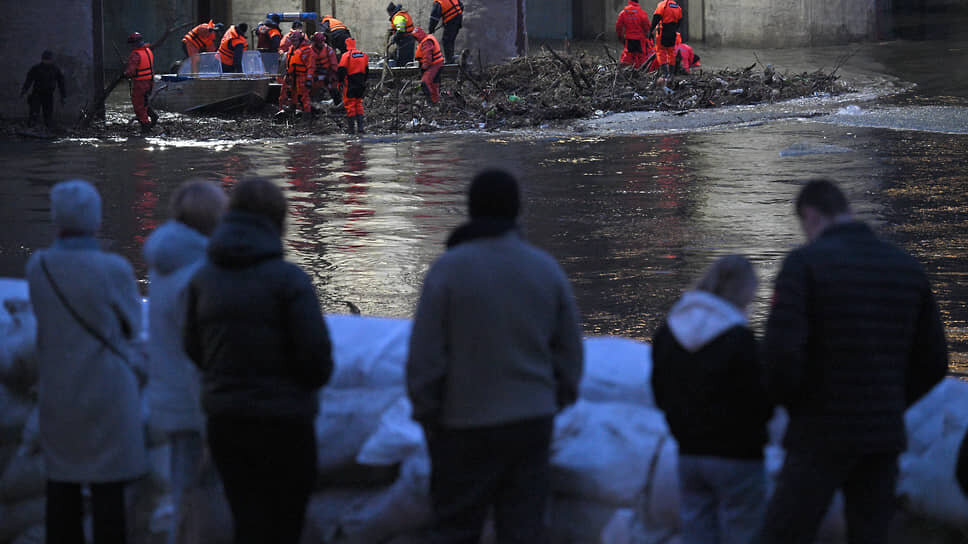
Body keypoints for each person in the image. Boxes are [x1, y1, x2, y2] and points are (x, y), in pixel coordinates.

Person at [754, 179, 949, 544]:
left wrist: (794, 405)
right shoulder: (906, 268)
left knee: (785, 531)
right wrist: (892, 401)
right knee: (870, 533)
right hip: (882, 435)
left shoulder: (804, 264)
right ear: (847, 209)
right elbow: (935, 361)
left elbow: (780, 353)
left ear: (810, 215)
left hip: (819, 432)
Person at [407, 169, 584, 544]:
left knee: (456, 527)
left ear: (470, 210)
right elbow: (570, 351)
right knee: (522, 529)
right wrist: (556, 398)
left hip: (464, 424)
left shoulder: (448, 271)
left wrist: (428, 411)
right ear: (517, 211)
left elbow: (425, 355)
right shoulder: (545, 269)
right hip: (532, 421)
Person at [185, 177, 334, 544]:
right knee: (285, 522)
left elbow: (193, 348)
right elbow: (317, 361)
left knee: (246, 519)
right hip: (285, 423)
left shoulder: (204, 279)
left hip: (227, 422)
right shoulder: (290, 281)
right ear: (278, 221)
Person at [26, 179, 147, 544]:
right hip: (109, 395)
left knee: (61, 495)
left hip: (59, 393)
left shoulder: (38, 268)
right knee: (110, 501)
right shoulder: (113, 269)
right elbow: (133, 325)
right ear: (95, 220)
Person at [652, 255, 772, 544]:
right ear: (744, 291)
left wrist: (679, 426)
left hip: (689, 452)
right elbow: (761, 397)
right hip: (738, 456)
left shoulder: (670, 331)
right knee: (743, 533)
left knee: (697, 531)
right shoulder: (739, 338)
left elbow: (659, 389)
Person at [144, 180, 228, 544]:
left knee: (182, 485)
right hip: (199, 400)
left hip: (169, 395)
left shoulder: (162, 266)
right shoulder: (201, 273)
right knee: (209, 490)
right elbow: (208, 345)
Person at [21, 50, 66, 129]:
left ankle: (48, 129)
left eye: (48, 60)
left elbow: (61, 83)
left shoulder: (55, 69)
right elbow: (29, 80)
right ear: (42, 59)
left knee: (48, 115)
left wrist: (63, 96)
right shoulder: (36, 68)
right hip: (37, 94)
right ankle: (31, 128)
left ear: (51, 60)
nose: (47, 61)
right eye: (45, 59)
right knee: (34, 113)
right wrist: (24, 91)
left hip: (48, 95)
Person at [125, 32, 158, 134]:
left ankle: (145, 126)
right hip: (150, 82)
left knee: (139, 105)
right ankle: (153, 116)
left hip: (140, 83)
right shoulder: (148, 51)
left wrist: (124, 74)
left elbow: (131, 72)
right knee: (144, 102)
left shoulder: (135, 55)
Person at [278, 31, 316, 116]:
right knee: (285, 95)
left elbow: (311, 67)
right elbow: (289, 63)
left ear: (300, 40)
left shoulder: (307, 51)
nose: (293, 42)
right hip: (291, 76)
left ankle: (306, 115)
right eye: (292, 41)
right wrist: (287, 74)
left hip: (302, 77)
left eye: (295, 41)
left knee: (303, 97)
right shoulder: (291, 49)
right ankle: (286, 112)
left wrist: (309, 79)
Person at [338, 38, 369, 135]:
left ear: (347, 45)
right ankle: (360, 128)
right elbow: (367, 70)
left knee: (350, 105)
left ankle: (351, 130)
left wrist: (340, 83)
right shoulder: (363, 55)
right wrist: (364, 81)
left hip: (350, 83)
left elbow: (341, 70)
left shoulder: (346, 55)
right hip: (360, 83)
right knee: (358, 104)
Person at [649, 0, 682, 81]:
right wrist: (674, 29)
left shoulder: (663, 5)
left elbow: (656, 17)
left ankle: (665, 73)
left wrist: (650, 30)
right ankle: (671, 74)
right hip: (672, 32)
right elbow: (680, 20)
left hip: (662, 31)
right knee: (671, 52)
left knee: (660, 51)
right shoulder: (678, 7)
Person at [615, 0, 652, 69]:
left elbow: (618, 27)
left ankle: (625, 72)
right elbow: (647, 27)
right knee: (641, 57)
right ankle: (641, 71)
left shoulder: (623, 13)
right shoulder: (642, 13)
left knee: (627, 57)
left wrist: (620, 38)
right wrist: (648, 36)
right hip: (640, 40)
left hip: (629, 39)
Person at [413, 27, 444, 104]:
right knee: (434, 83)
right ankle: (435, 101)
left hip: (433, 65)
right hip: (437, 63)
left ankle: (430, 102)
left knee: (425, 82)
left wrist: (424, 68)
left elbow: (427, 58)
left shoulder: (426, 42)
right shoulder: (426, 39)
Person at [310, 32, 342, 106]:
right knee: (313, 87)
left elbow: (334, 63)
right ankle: (314, 104)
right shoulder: (310, 51)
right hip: (316, 73)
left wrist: (333, 75)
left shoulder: (328, 50)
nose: (321, 44)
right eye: (319, 42)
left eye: (322, 42)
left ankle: (338, 103)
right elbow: (309, 65)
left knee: (333, 86)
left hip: (327, 72)